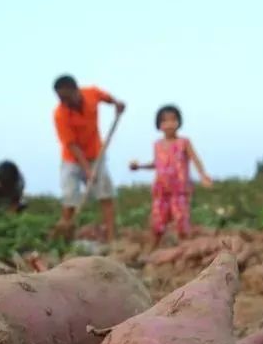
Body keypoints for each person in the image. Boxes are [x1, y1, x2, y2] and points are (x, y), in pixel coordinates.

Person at [52, 74, 125, 241]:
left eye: (66, 97)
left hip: (95, 154)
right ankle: (65, 237)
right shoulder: (60, 114)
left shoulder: (91, 93)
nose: (63, 101)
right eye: (60, 98)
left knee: (105, 193)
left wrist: (116, 103)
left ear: (76, 90)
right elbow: (72, 145)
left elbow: (106, 98)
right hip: (71, 159)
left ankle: (111, 237)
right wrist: (86, 169)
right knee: (70, 197)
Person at [129, 104, 213, 247]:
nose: (169, 125)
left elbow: (195, 159)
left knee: (181, 219)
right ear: (159, 125)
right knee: (157, 220)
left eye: (173, 120)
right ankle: (153, 249)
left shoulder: (184, 143)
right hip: (161, 189)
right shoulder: (157, 145)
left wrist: (203, 175)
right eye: (165, 121)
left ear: (179, 122)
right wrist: (140, 166)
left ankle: (185, 247)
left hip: (179, 189)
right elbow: (157, 164)